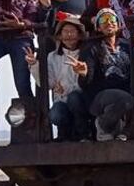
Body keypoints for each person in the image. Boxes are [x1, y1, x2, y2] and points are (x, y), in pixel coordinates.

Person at [73, 8, 134, 141]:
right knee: (127, 99)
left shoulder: (127, 44)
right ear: (98, 27)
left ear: (118, 25)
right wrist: (83, 74)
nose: (109, 23)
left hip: (126, 90)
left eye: (112, 19)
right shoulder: (91, 48)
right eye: (103, 20)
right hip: (100, 95)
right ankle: (103, 124)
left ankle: (127, 132)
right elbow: (85, 84)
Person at [25, 13, 90, 141]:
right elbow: (46, 83)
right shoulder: (52, 57)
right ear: (59, 36)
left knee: (74, 99)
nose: (69, 35)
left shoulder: (86, 54)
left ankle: (84, 135)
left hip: (81, 99)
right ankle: (64, 136)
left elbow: (89, 79)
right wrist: (33, 65)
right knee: (55, 114)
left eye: (73, 31)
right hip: (61, 100)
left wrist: (68, 88)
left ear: (79, 35)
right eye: (65, 32)